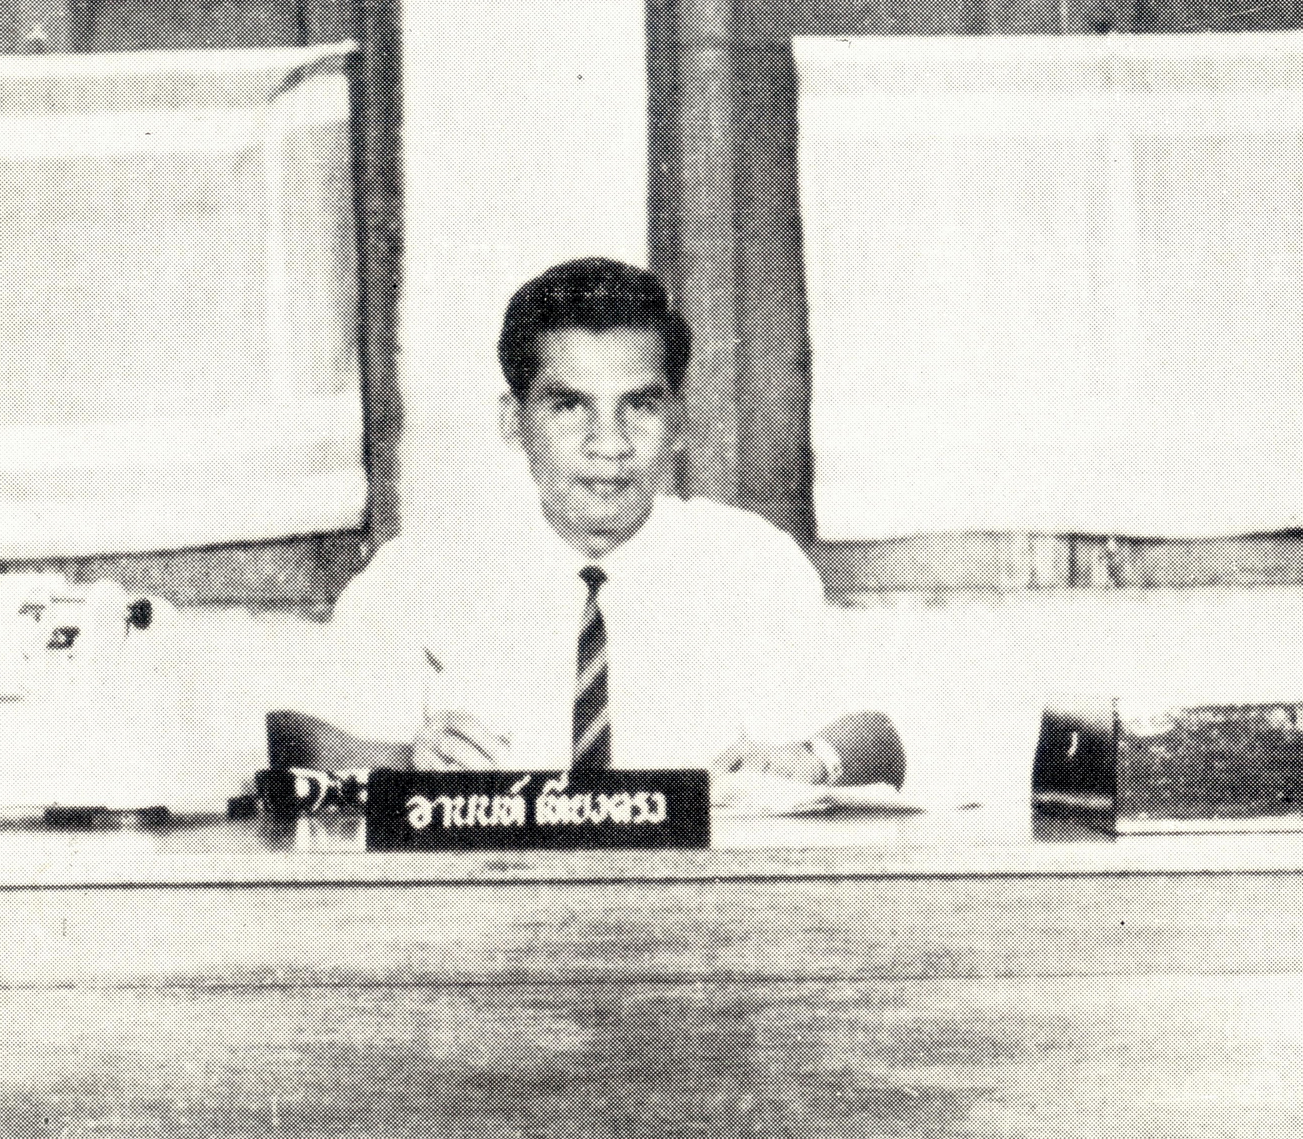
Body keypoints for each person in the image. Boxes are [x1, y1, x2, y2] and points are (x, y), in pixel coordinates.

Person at [307, 257, 904, 787]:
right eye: (569, 406)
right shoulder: (432, 567)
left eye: (638, 405)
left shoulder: (749, 562)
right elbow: (302, 738)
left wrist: (810, 760)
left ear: (677, 418)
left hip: (694, 880)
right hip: (497, 879)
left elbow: (878, 740)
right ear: (513, 421)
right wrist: (403, 762)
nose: (608, 443)